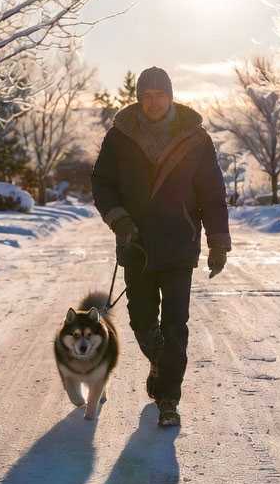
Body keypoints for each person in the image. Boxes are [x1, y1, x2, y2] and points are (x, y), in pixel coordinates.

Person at [91, 65, 231, 427]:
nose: (153, 102)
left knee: (175, 326)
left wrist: (218, 242)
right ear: (139, 98)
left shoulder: (195, 138)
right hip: (136, 243)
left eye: (160, 94)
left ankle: (168, 398)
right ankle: (160, 363)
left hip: (179, 244)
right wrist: (120, 220)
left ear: (171, 96)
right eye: (147, 95)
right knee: (141, 322)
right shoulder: (119, 137)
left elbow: (213, 194)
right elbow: (102, 185)